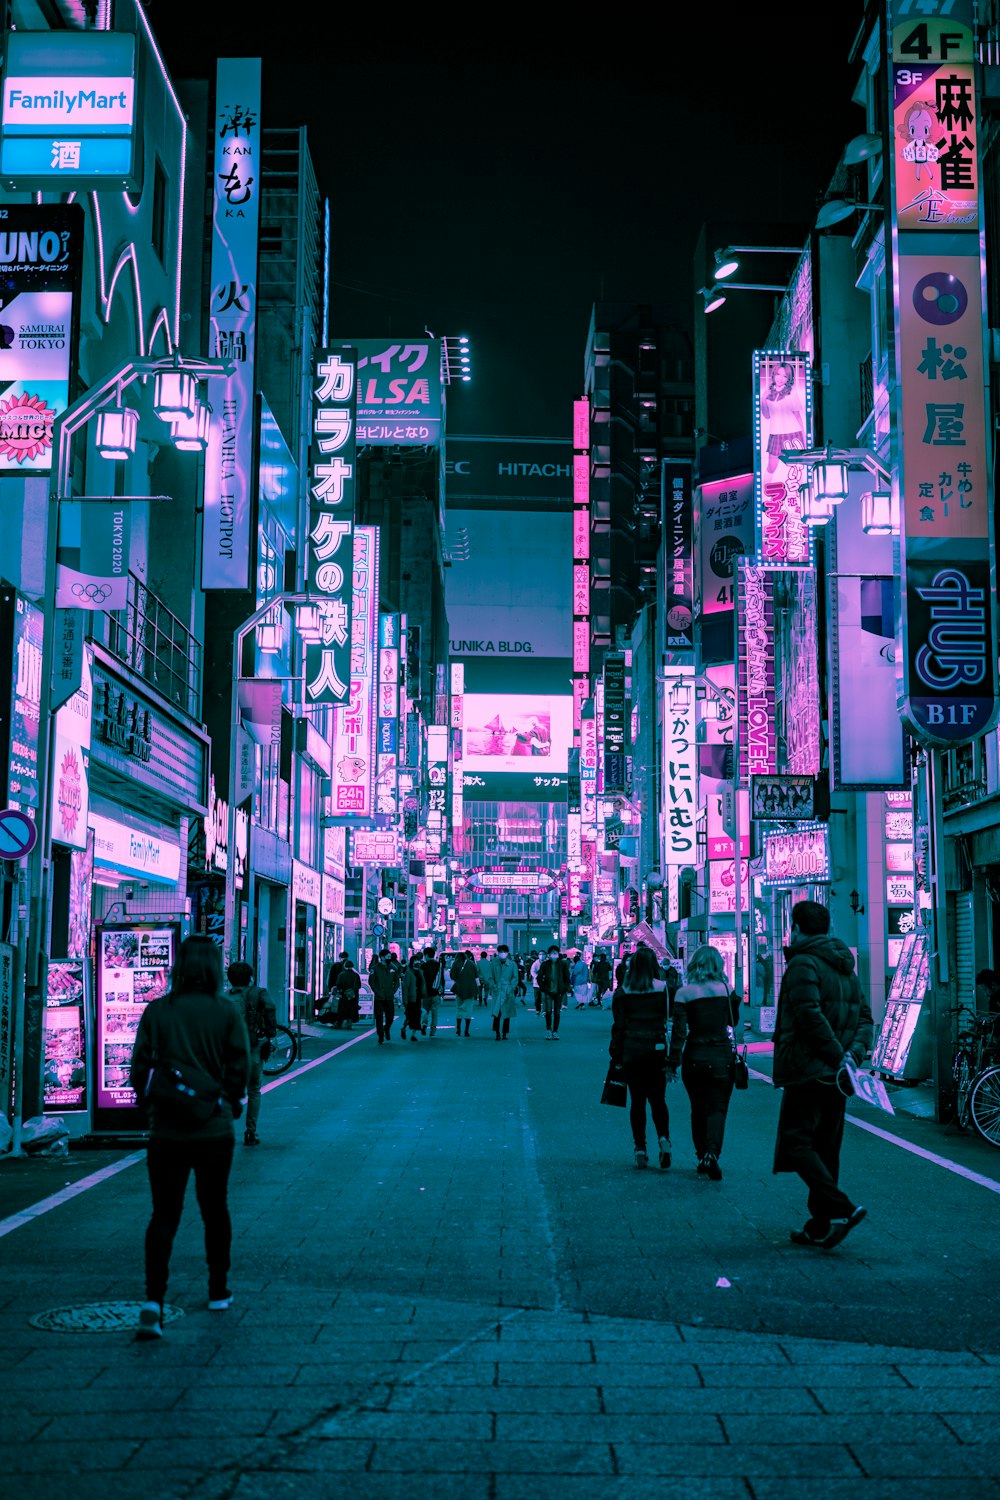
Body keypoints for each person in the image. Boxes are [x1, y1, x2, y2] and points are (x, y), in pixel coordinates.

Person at [128, 936, 250, 1341]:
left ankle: (152, 1302)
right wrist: (228, 1102)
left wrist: (156, 1107)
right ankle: (218, 1290)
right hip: (214, 1129)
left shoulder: (158, 1011)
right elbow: (240, 1066)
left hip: (166, 1130)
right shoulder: (226, 1012)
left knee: (164, 1215)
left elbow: (139, 1070)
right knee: (215, 1209)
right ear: (216, 968)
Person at [772, 899, 874, 1250]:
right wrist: (852, 1056)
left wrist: (836, 1055)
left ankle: (841, 1208)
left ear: (796, 927)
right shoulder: (845, 966)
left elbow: (808, 1015)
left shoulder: (803, 963)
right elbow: (864, 1019)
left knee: (797, 1141)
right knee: (826, 1147)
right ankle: (818, 1225)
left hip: (809, 1069)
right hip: (839, 1076)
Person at [667, 945, 741, 1181]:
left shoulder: (684, 993)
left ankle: (701, 1155)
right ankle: (712, 1152)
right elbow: (732, 1022)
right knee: (718, 1108)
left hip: (695, 1055)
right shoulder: (726, 989)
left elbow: (678, 1032)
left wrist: (672, 1063)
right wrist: (734, 1000)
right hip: (721, 1056)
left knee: (697, 1108)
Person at [609, 947, 672, 1170]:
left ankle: (640, 1148)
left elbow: (619, 1025)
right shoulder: (663, 988)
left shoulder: (624, 990)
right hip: (656, 1048)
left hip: (632, 1049)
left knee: (637, 1101)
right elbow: (668, 1017)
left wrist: (616, 1053)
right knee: (658, 1098)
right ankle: (664, 1140)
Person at [225, 960, 276, 1147]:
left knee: (227, 1090)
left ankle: (224, 1130)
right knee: (254, 1090)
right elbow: (271, 1008)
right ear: (250, 976)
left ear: (230, 979)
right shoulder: (258, 993)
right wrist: (271, 1033)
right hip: (253, 1047)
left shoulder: (223, 998)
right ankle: (250, 1132)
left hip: (228, 1052)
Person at [538, 943, 572, 1039]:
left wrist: (564, 988)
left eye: (555, 953)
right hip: (548, 991)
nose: (554, 955)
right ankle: (548, 1030)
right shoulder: (545, 965)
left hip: (558, 992)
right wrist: (543, 988)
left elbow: (567, 977)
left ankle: (555, 1031)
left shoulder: (562, 964)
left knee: (557, 1012)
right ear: (549, 954)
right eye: (552, 953)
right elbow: (539, 977)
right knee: (548, 1012)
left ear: (558, 954)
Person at [488, 944, 520, 1039]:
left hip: (508, 991)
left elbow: (515, 978)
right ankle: (497, 1033)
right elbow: (490, 977)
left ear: (507, 953)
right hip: (497, 990)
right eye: (501, 952)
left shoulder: (512, 964)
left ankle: (505, 1033)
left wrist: (511, 988)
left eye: (504, 952)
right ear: (498, 953)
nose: (502, 954)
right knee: (496, 1013)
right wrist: (493, 986)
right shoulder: (494, 963)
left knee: (506, 1013)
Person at [369, 949, 401, 1045]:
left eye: (389, 956)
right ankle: (380, 1035)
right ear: (382, 957)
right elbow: (371, 982)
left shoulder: (393, 968)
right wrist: (377, 991)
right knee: (379, 1017)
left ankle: (386, 1029)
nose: (389, 958)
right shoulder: (375, 968)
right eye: (387, 956)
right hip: (379, 997)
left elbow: (397, 981)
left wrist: (393, 990)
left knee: (390, 1017)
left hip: (389, 997)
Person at [451, 950, 479, 1036]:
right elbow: (476, 976)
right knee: (468, 1010)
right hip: (471, 990)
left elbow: (452, 976)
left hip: (460, 990)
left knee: (459, 1008)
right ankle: (466, 1030)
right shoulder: (471, 963)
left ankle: (458, 1028)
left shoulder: (455, 963)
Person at [400, 957, 426, 1041]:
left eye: (418, 961)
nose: (417, 962)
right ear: (412, 962)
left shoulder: (421, 972)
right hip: (411, 998)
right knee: (409, 1016)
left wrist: (423, 993)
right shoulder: (409, 972)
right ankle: (403, 1028)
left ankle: (413, 1035)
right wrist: (405, 999)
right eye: (415, 961)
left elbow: (423, 983)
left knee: (417, 1016)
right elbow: (405, 987)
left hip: (418, 996)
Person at [420, 947, 443, 1035]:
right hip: (435, 992)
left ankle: (424, 1024)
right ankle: (433, 1031)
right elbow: (441, 979)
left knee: (425, 1010)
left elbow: (421, 980)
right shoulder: (438, 965)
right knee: (435, 1012)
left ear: (426, 955)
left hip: (425, 992)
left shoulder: (423, 966)